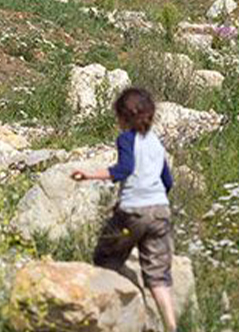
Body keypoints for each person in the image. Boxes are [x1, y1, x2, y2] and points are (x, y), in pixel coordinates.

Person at [71, 87, 177, 332]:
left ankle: (109, 319)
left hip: (133, 211)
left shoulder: (127, 138)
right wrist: (154, 202)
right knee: (158, 276)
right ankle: (171, 326)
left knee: (106, 256)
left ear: (124, 118)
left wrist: (88, 174)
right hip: (160, 210)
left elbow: (124, 169)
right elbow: (167, 181)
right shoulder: (155, 143)